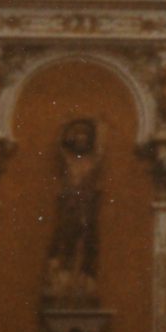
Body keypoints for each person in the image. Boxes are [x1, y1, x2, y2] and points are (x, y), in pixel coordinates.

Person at [44, 117, 103, 285]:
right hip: (69, 205)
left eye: (84, 139)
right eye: (77, 139)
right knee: (65, 235)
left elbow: (100, 153)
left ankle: (85, 274)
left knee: (87, 237)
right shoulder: (69, 160)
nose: (81, 142)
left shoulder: (91, 161)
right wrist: (64, 128)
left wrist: (98, 129)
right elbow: (60, 149)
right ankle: (62, 270)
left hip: (86, 206)